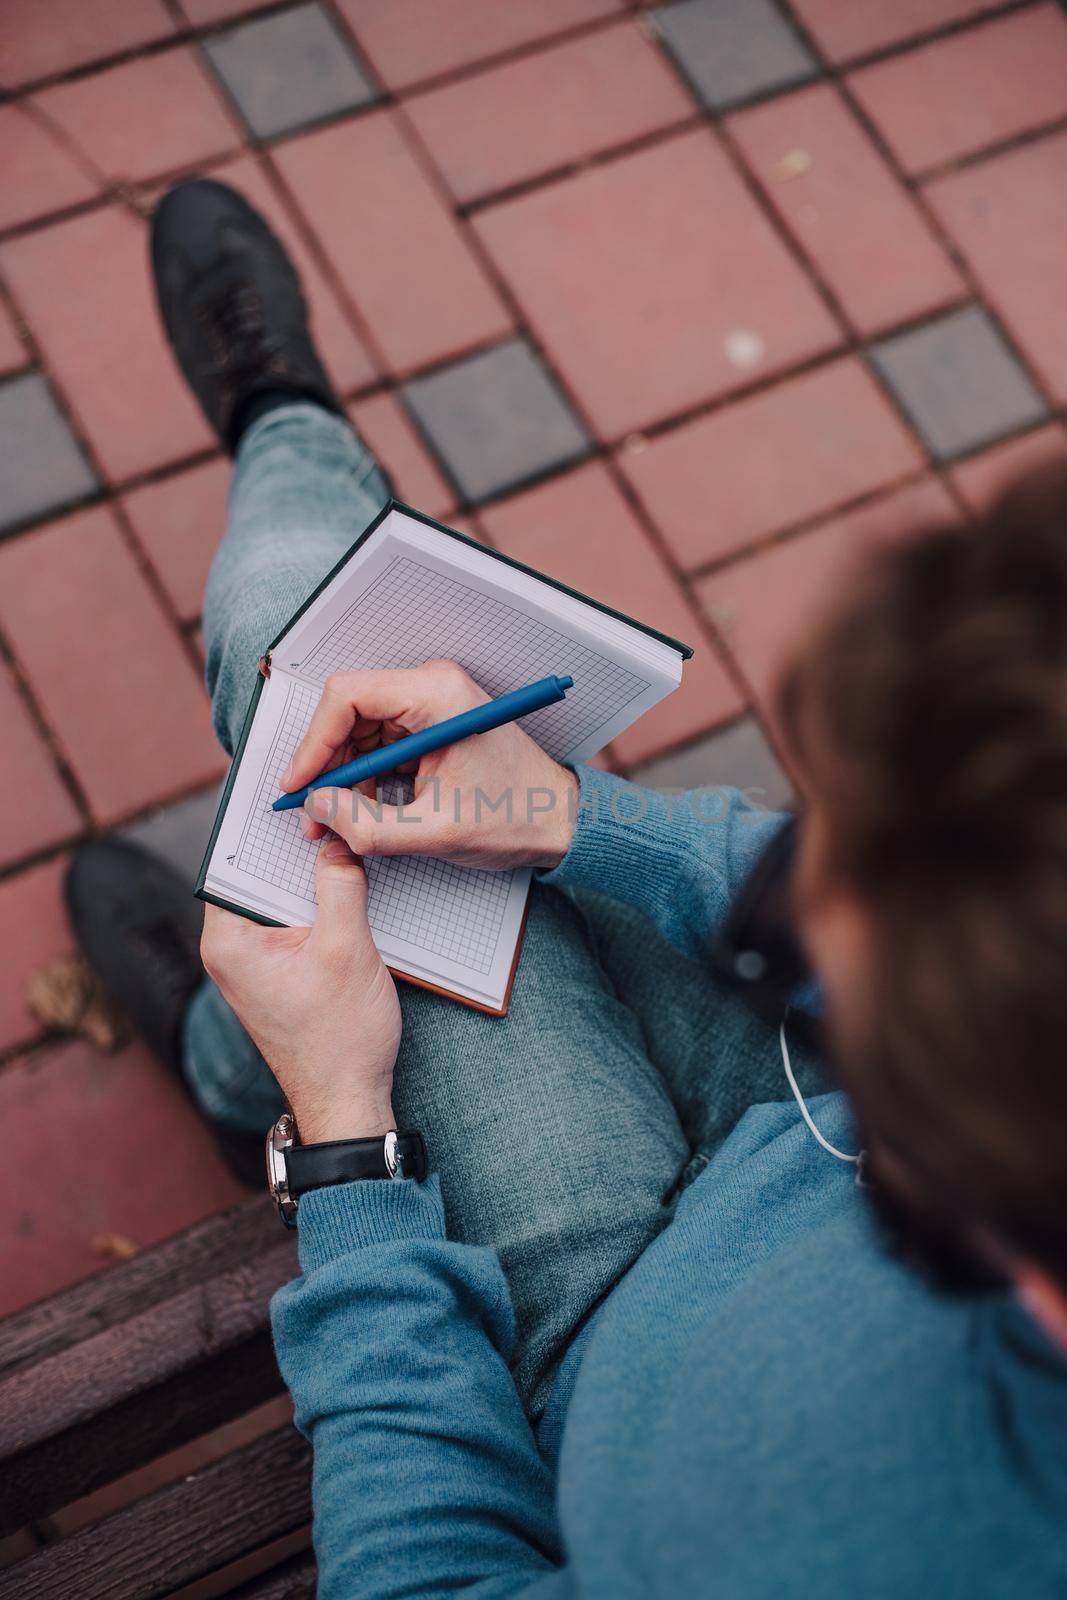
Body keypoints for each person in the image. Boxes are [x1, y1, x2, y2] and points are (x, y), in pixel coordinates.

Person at [68, 179, 1067, 1598]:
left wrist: (345, 1147)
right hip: (780, 1133)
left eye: (827, 901)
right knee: (340, 714)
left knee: (290, 615)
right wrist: (580, 819)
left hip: (600, 1346)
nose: (775, 900)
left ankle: (284, 423)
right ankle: (239, 1055)